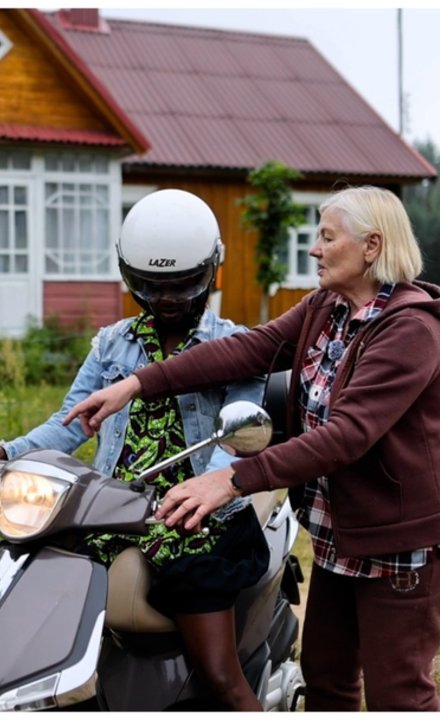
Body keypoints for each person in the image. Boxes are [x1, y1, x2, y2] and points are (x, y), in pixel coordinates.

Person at [65, 185, 440, 712]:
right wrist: (137, 384)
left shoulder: (411, 331)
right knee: (326, 677)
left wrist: (229, 478)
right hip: (340, 534)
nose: (315, 249)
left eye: (326, 236)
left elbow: (345, 437)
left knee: (399, 694)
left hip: (399, 545)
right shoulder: (328, 308)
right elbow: (247, 350)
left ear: (371, 246)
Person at [1, 189, 268, 711]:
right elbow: (71, 424)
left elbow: (234, 447)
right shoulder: (111, 344)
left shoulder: (236, 345)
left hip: (195, 518)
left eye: (182, 285)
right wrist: (9, 451)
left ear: (213, 269)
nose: (165, 299)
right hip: (111, 512)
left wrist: (204, 492)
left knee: (220, 677)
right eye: (148, 285)